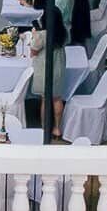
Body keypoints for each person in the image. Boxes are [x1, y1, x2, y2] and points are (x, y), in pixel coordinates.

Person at [30, 7, 68, 140]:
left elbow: (33, 52)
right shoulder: (63, 33)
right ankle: (57, 128)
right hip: (58, 68)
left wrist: (35, 35)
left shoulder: (42, 35)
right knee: (57, 98)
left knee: (45, 99)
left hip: (45, 69)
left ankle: (44, 128)